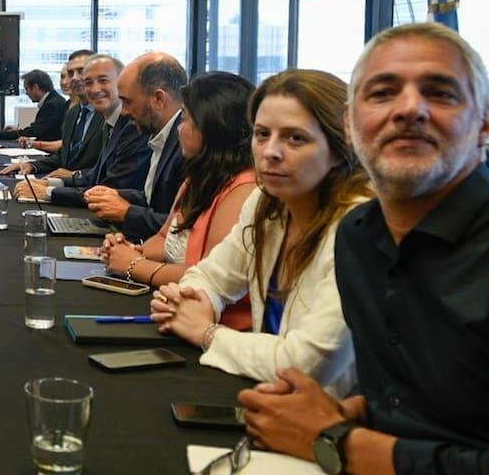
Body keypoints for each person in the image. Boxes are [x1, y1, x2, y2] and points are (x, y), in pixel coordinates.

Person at [240, 23, 489, 474]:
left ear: (483, 126)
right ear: (350, 127)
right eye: (383, 93)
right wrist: (348, 413)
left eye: (441, 93)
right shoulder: (359, 236)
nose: (410, 109)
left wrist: (337, 442)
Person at [150, 69, 370, 396]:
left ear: (340, 147)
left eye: (295, 138)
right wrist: (192, 301)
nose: (270, 152)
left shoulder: (361, 226)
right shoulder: (267, 201)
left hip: (328, 424)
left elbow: (304, 367)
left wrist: (206, 332)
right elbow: (210, 277)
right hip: (261, 393)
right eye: (262, 134)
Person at [99, 72, 257, 328]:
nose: (180, 129)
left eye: (185, 119)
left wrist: (133, 265)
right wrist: (130, 249)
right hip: (173, 305)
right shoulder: (197, 179)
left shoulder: (244, 189)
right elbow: (164, 240)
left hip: (219, 326)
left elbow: (206, 273)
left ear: (213, 127)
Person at [84, 52, 188, 240]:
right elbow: (152, 200)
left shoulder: (188, 145)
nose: (123, 112)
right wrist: (114, 195)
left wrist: (127, 212)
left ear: (158, 99)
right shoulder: (162, 135)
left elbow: (184, 229)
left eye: (127, 102)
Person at [24, 54, 148, 204]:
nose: (95, 89)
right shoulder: (109, 122)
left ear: (121, 83)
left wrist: (50, 192)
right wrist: (53, 183)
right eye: (88, 82)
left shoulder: (133, 125)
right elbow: (95, 175)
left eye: (103, 81)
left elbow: (111, 189)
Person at [1, 50, 100, 184]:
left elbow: (109, 168)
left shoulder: (109, 116)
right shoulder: (73, 113)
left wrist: (76, 175)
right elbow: (64, 156)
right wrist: (32, 165)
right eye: (70, 74)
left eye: (81, 71)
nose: (74, 78)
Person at [0, 69, 67, 143]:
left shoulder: (51, 105)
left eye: (26, 89)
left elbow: (33, 132)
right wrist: (17, 131)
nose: (26, 93)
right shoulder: (55, 100)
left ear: (35, 88)